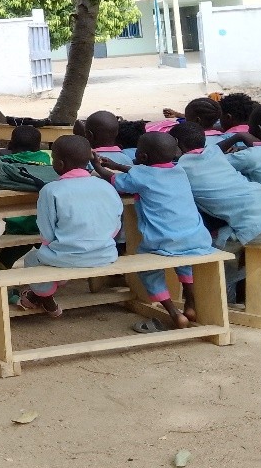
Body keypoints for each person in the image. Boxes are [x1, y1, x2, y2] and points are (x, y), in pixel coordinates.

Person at [92, 132, 214, 331]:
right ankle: (190, 305)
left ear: (142, 157)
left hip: (162, 241)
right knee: (185, 263)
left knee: (148, 269)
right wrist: (118, 165)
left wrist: (98, 166)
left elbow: (115, 180)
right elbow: (148, 173)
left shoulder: (141, 176)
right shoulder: (179, 170)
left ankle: (174, 313)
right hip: (197, 238)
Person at [12, 135, 123, 317]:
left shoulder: (51, 190)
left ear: (60, 164)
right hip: (106, 254)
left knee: (33, 259)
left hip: (65, 257)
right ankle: (43, 291)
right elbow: (115, 224)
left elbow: (47, 234)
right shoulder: (106, 186)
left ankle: (46, 298)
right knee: (56, 257)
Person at [172, 123, 261, 248]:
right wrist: (237, 137)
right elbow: (216, 148)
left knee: (207, 243)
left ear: (176, 142)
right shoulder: (215, 154)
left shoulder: (181, 169)